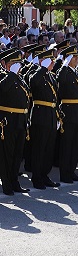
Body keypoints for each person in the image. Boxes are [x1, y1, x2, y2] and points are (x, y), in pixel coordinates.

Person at [28, 48, 61, 189]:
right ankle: (36, 177)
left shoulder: (50, 75)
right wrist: (42, 68)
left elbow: (55, 97)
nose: (52, 63)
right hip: (40, 115)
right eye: (50, 60)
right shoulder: (36, 73)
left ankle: (44, 175)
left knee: (49, 148)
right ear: (42, 61)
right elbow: (33, 82)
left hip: (51, 114)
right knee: (39, 148)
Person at [0, 48, 31, 195]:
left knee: (18, 153)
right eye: (14, 63)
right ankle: (6, 183)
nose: (18, 66)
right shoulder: (3, 75)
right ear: (5, 63)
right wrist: (11, 73)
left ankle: (14, 181)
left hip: (20, 119)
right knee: (7, 154)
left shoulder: (19, 77)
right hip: (8, 119)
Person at [57, 45, 78, 184]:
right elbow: (61, 81)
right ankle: (64, 173)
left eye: (77, 57)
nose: (77, 59)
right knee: (67, 144)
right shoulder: (64, 72)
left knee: (75, 144)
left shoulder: (74, 72)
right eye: (74, 57)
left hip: (77, 110)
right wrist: (64, 64)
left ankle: (71, 170)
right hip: (68, 111)